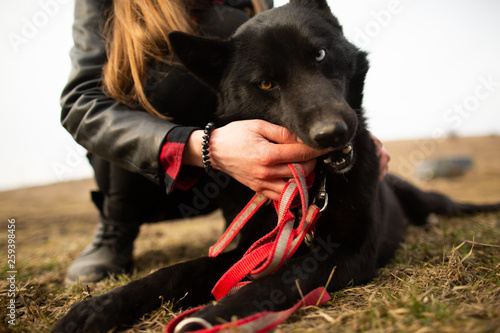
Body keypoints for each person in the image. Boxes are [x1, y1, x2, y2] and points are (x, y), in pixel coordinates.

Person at [61, 0, 390, 285]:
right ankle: (117, 224)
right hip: (149, 181)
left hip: (239, 173)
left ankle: (242, 212)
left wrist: (347, 126)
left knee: (249, 41)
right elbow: (82, 103)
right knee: (182, 53)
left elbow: (289, 70)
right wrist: (206, 146)